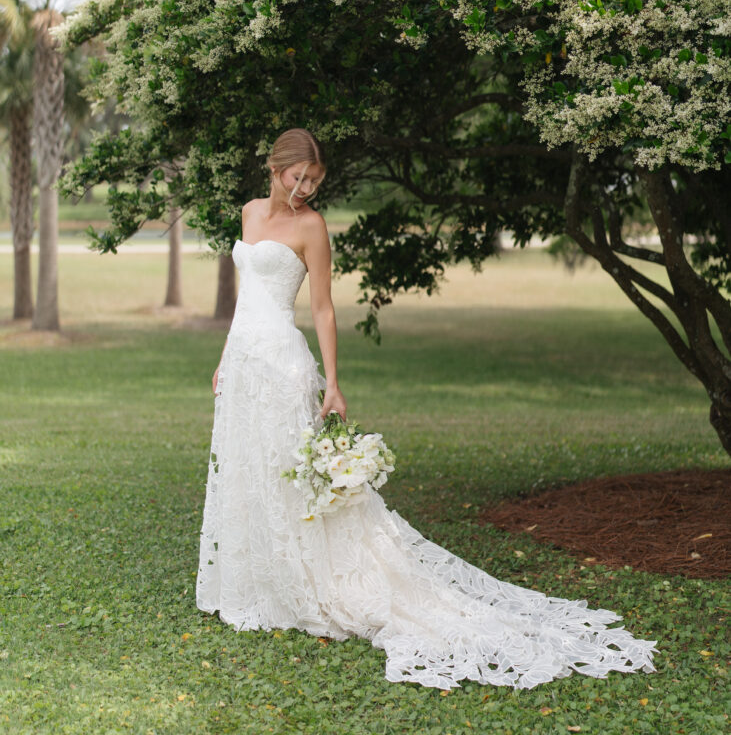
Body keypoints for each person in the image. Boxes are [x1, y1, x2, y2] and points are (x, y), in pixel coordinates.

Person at [196, 128, 657, 690]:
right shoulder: (249, 212)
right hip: (244, 365)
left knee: (289, 478)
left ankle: (305, 586)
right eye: (300, 177)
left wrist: (333, 383)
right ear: (275, 168)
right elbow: (247, 299)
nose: (307, 188)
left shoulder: (311, 226)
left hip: (282, 367)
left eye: (315, 180)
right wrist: (226, 358)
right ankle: (259, 583)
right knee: (250, 472)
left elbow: (322, 308)